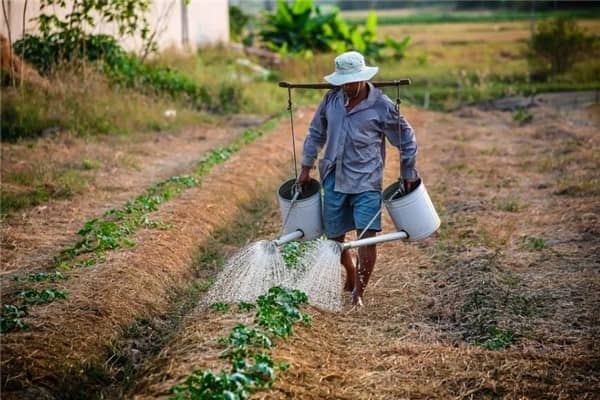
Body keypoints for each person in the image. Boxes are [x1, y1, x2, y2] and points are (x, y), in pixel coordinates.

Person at [297, 50, 418, 307]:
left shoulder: (381, 106)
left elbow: (407, 138)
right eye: (343, 82)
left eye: (353, 81)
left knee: (367, 236)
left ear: (363, 78)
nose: (348, 86)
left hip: (366, 181)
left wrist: (408, 172)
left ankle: (358, 293)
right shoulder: (331, 100)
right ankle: (350, 271)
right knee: (334, 239)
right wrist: (306, 167)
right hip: (333, 177)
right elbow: (315, 133)